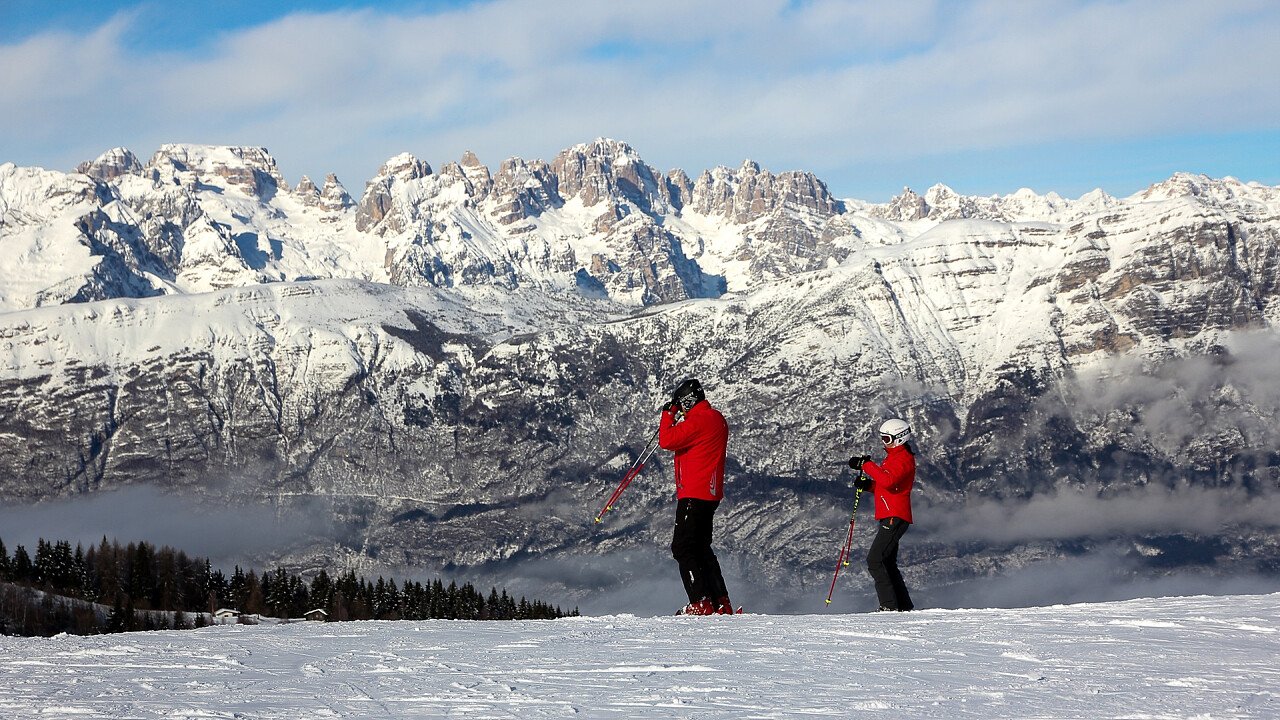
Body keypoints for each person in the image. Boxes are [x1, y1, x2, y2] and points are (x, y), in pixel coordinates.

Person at [659, 378, 733, 616]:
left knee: (683, 548)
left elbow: (666, 440)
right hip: (709, 493)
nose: (680, 408)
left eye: (681, 404)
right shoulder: (715, 418)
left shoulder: (699, 421)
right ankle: (719, 601)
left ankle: (700, 602)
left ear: (688, 401)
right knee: (701, 547)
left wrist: (668, 415)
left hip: (694, 493)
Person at [850, 418, 916, 612]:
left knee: (875, 560)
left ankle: (888, 606)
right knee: (886, 561)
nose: (884, 443)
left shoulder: (903, 459)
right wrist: (868, 486)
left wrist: (867, 465)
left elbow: (887, 480)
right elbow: (889, 486)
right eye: (882, 439)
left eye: (887, 439)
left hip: (895, 515)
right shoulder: (893, 458)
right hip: (890, 514)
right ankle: (902, 605)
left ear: (900, 438)